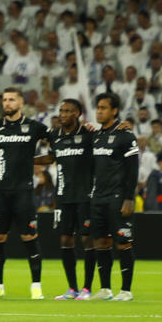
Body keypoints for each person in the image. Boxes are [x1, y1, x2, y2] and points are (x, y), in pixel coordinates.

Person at [0, 87, 51, 300]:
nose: (7, 103)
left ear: (21, 103)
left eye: (11, 100)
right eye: (4, 100)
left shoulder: (34, 127)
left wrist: (41, 160)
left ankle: (36, 286)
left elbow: (57, 141)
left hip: (23, 191)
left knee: (29, 236)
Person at [87, 93, 139, 302]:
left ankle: (126, 290)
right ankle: (106, 288)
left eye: (104, 108)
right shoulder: (97, 136)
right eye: (98, 107)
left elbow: (133, 168)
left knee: (123, 243)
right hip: (98, 196)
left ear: (114, 111)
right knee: (102, 242)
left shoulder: (126, 136)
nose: (99, 111)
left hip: (118, 197)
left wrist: (129, 197)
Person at [47, 98, 97, 300]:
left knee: (87, 239)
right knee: (66, 238)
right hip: (63, 196)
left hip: (85, 195)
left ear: (77, 114)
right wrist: (27, 161)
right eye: (61, 111)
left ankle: (87, 288)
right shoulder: (55, 136)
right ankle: (72, 288)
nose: (63, 114)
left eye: (68, 111)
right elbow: (51, 158)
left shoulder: (88, 134)